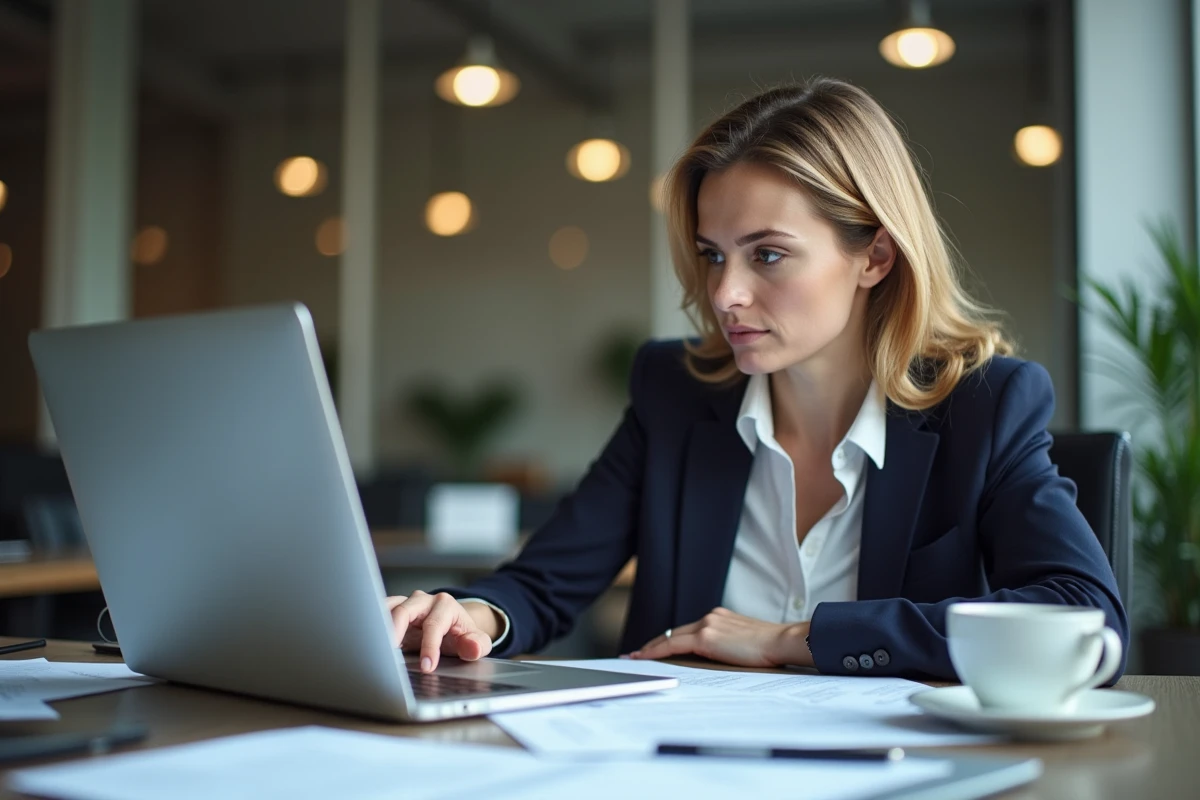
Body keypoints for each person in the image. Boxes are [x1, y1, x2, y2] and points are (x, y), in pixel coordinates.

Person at [386, 77, 1128, 680]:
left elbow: (1084, 620)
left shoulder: (985, 406)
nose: (724, 295)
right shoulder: (674, 393)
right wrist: (469, 617)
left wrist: (792, 639)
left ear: (874, 256)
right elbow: (546, 583)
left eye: (767, 255)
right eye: (713, 254)